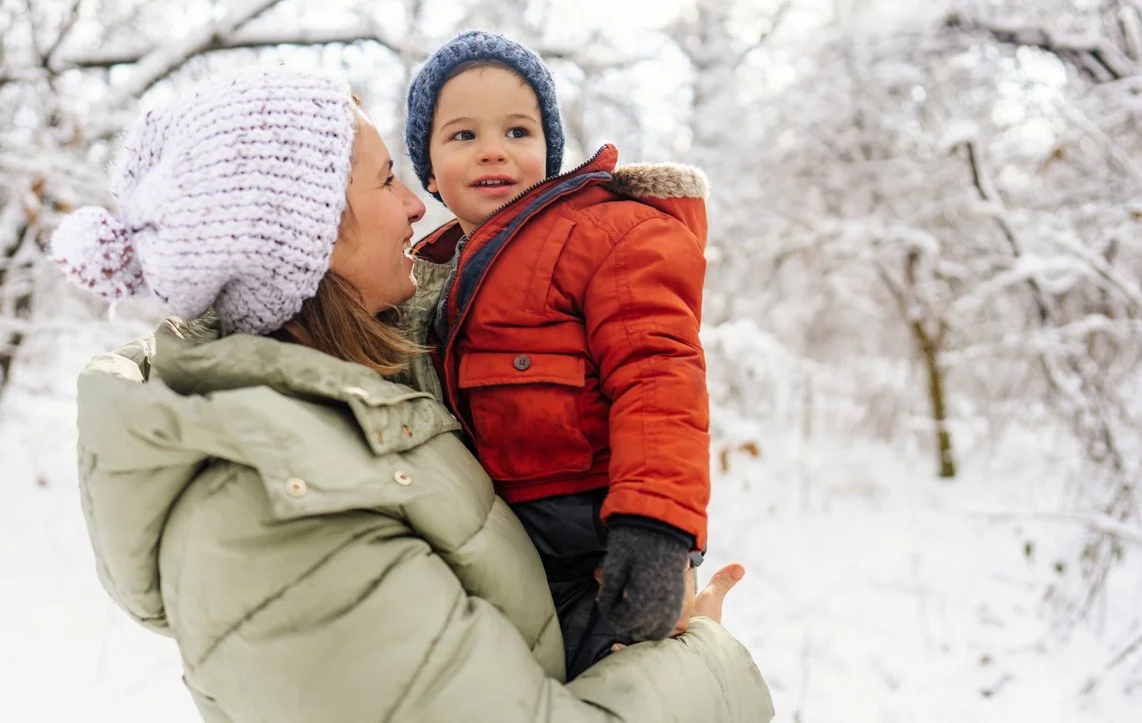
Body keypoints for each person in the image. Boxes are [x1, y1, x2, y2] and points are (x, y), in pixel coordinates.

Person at [51, 67, 774, 722]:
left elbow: (652, 368)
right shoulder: (280, 516)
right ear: (317, 237)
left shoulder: (377, 393)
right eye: (388, 179)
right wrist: (703, 659)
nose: (412, 207)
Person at [403, 31, 713, 677]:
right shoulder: (428, 281)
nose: (494, 151)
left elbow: (657, 376)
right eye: (464, 136)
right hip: (510, 553)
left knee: (624, 687)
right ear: (428, 170)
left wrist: (657, 528)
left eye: (517, 132)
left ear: (549, 150)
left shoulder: (600, 236)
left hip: (601, 540)